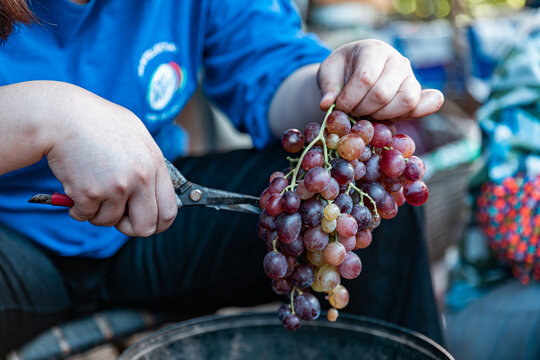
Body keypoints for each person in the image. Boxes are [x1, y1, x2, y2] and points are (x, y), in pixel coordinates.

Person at [0, 0, 444, 355]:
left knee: (363, 197)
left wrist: (341, 86)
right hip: (14, 242)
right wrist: (45, 115)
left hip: (154, 216)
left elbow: (272, 75)